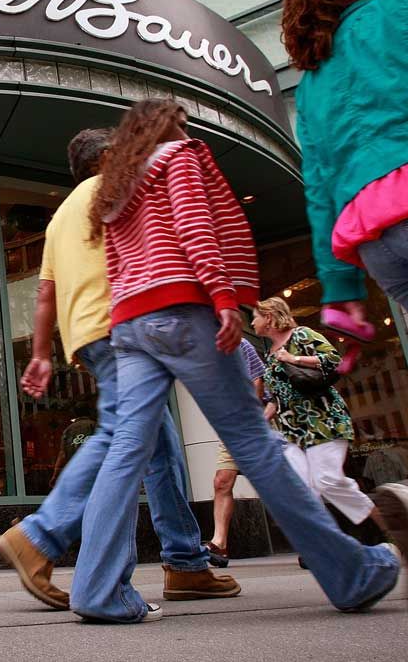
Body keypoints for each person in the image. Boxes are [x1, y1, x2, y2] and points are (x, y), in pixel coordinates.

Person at [65, 98, 402, 624]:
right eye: (177, 120)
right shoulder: (177, 155)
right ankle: (350, 571)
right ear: (162, 126)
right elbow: (196, 227)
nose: (186, 127)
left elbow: (115, 261)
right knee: (253, 442)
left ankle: (96, 588)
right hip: (182, 308)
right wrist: (223, 296)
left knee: (125, 450)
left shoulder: (115, 188)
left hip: (129, 323)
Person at [0, 127, 239, 612]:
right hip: (127, 325)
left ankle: (186, 564)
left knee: (161, 448)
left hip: (86, 337)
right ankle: (39, 536)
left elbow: (45, 294)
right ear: (107, 156)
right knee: (122, 437)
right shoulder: (120, 189)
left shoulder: (61, 215)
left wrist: (41, 354)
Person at [281, 0, 408, 543]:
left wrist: (341, 292)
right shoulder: (399, 10)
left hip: (376, 236)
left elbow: (320, 192)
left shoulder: (312, 85)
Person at [254, 297, 389, 536]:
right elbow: (277, 397)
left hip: (323, 420)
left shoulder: (302, 335)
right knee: (302, 489)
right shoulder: (271, 353)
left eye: (256, 316)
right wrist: (258, 422)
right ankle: (323, 544)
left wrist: (294, 359)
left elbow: (334, 360)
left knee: (327, 480)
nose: (252, 322)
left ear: (270, 318)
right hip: (292, 430)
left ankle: (391, 529)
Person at [205, 338, 266, 568]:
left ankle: (311, 543)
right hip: (231, 427)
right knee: (222, 481)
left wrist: (252, 416)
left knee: (274, 484)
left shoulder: (239, 344)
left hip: (253, 424)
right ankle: (219, 543)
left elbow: (257, 379)